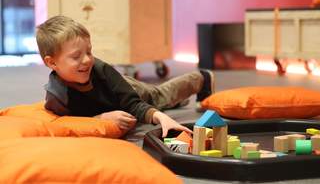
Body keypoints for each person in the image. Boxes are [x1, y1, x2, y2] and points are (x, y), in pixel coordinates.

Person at [36, 15, 214, 137]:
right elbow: (70, 121)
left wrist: (162, 118)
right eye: (76, 56)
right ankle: (178, 101)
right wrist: (100, 118)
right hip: (109, 102)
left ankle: (201, 78)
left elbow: (134, 105)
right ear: (52, 63)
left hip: (126, 89)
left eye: (89, 52)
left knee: (158, 97)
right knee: (165, 101)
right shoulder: (56, 97)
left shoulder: (102, 69)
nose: (87, 60)